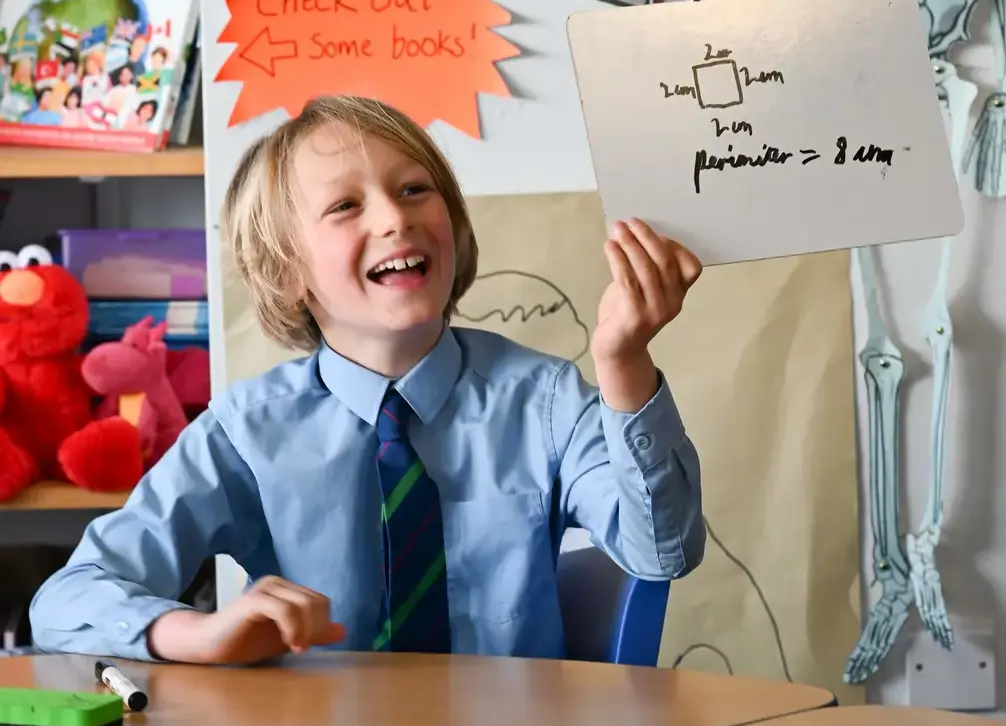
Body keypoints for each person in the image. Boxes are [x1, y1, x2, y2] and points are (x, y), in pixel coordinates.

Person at [30, 95, 705, 665]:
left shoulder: (547, 402)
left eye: (415, 189)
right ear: (286, 270)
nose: (394, 218)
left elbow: (664, 549)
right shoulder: (247, 430)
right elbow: (67, 599)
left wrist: (624, 363)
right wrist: (195, 633)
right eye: (345, 206)